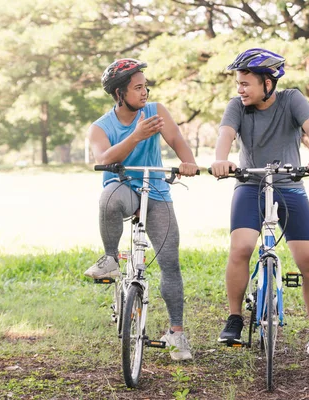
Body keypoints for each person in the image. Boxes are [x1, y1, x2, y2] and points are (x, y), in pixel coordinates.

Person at [210, 48, 309, 363]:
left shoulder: (292, 100)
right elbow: (225, 135)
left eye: (246, 83)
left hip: (290, 186)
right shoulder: (237, 107)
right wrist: (221, 160)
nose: (240, 89)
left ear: (268, 83)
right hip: (250, 184)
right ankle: (234, 318)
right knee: (241, 247)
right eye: (238, 83)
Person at [84, 58, 199, 361]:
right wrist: (136, 135)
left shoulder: (156, 111)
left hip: (156, 190)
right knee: (107, 198)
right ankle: (110, 259)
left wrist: (188, 162)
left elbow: (177, 140)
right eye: (138, 87)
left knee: (170, 262)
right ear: (120, 93)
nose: (145, 92)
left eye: (145, 86)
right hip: (123, 190)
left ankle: (176, 333)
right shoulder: (100, 127)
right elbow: (104, 159)